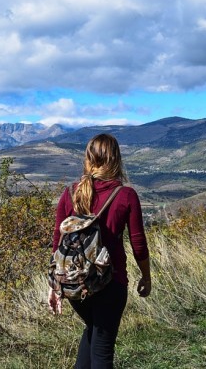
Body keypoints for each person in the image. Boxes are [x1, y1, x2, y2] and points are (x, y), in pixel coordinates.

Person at [48, 133, 151, 369]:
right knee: (102, 352)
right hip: (110, 282)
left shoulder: (71, 192)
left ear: (88, 158)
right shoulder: (125, 195)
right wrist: (146, 277)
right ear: (116, 159)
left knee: (93, 334)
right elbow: (139, 244)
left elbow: (58, 241)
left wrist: (55, 285)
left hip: (75, 284)